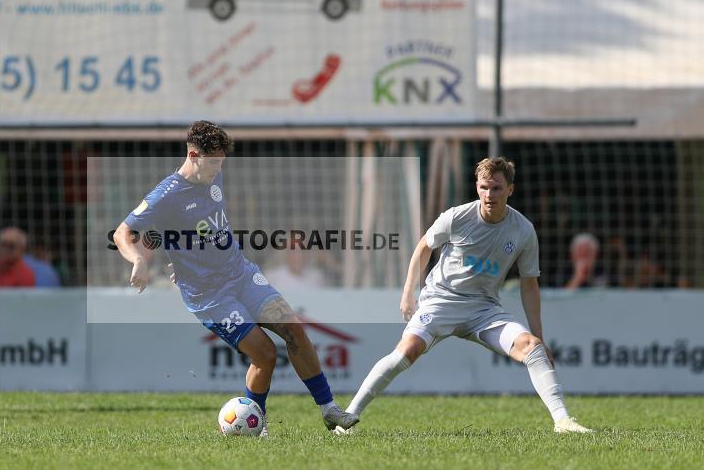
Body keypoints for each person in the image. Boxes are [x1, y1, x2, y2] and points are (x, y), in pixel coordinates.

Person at [113, 120, 358, 435]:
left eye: (221, 162)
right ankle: (258, 423)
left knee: (295, 330)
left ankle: (329, 410)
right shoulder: (166, 194)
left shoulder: (212, 176)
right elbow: (123, 232)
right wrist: (138, 261)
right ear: (193, 155)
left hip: (241, 274)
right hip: (210, 296)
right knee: (265, 354)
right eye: (213, 162)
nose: (218, 169)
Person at [339, 157, 592, 435]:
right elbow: (423, 247)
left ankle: (563, 422)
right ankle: (348, 419)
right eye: (483, 187)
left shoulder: (523, 230)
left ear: (510, 190)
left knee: (532, 348)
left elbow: (529, 284)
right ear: (476, 186)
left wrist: (540, 335)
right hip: (440, 301)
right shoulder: (457, 217)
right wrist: (408, 293)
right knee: (404, 354)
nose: (488, 195)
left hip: (483, 309)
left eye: (496, 188)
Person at [263, 246, 328, 292]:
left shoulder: (317, 277)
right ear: (285, 254)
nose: (298, 256)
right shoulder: (272, 276)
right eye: (293, 251)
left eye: (302, 251)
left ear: (308, 253)